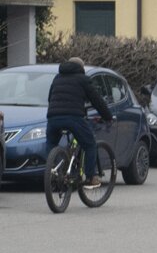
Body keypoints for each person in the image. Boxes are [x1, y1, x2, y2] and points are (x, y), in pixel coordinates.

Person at [45, 57, 113, 188]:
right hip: (73, 118)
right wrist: (108, 116)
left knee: (51, 143)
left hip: (53, 118)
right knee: (90, 144)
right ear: (81, 68)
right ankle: (91, 177)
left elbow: (50, 98)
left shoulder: (57, 78)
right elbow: (97, 100)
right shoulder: (83, 79)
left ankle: (54, 169)